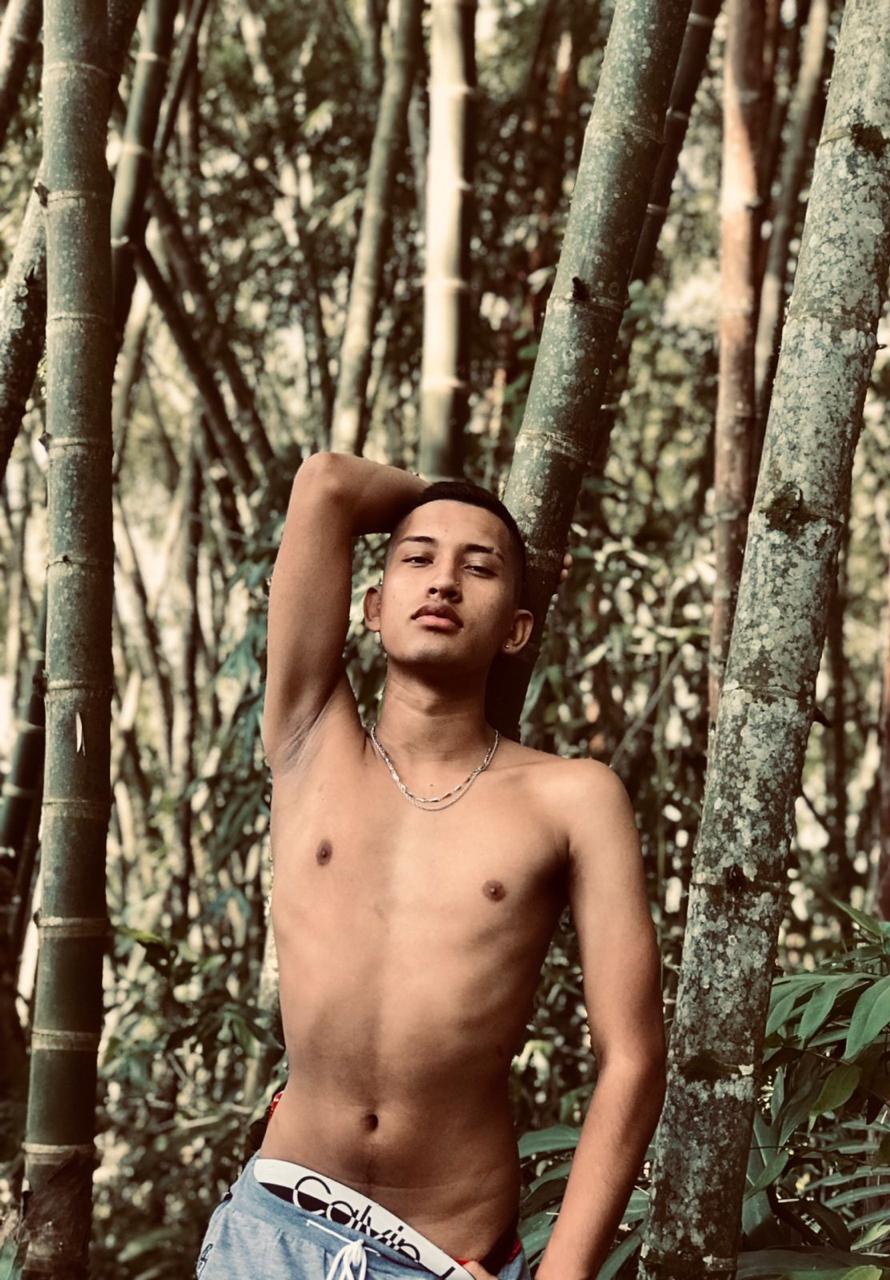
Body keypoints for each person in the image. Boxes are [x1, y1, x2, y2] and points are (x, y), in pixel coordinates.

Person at [194, 452, 666, 1280]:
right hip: (271, 1235)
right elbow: (327, 484)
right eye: (418, 560)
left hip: (446, 1259)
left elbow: (632, 1057)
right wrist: (455, 501)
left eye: (479, 568)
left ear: (517, 629)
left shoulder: (574, 797)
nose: (444, 582)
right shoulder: (310, 740)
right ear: (373, 608)